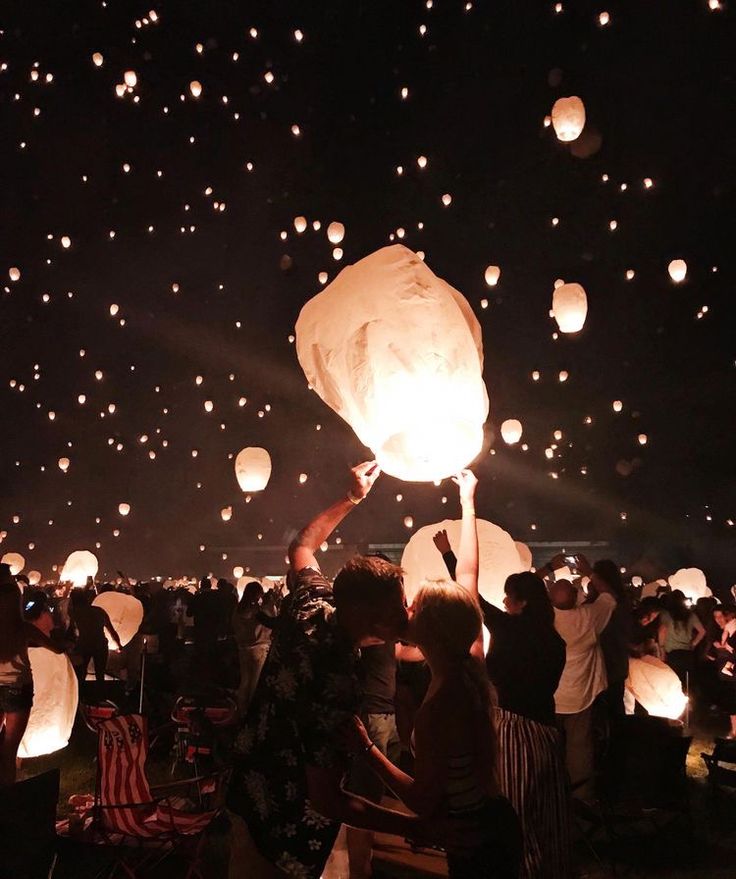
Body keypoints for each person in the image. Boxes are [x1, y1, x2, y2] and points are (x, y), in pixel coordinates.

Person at [227, 462, 473, 879]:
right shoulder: (334, 685)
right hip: (282, 834)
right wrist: (415, 826)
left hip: (247, 784)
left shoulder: (313, 601)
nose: (406, 618)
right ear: (368, 619)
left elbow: (302, 546)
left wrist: (352, 496)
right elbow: (328, 800)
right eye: (399, 612)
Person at [342, 470, 521, 879]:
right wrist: (468, 502)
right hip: (492, 822)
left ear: (431, 630)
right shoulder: (469, 659)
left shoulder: (441, 706)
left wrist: (367, 749)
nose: (406, 611)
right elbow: (469, 577)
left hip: (474, 838)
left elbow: (423, 800)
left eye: (414, 606)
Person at [435, 532, 569, 879]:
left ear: (521, 602)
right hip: (547, 734)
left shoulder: (508, 629)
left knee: (517, 813)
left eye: (509, 598)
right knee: (547, 815)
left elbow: (470, 596)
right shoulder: (555, 642)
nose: (505, 602)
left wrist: (449, 554)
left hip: (514, 732)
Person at [549, 576, 616, 801]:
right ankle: (582, 799)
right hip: (581, 696)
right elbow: (608, 597)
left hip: (551, 696)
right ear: (576, 596)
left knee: (549, 749)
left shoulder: (544, 618)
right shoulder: (589, 617)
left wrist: (548, 569)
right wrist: (589, 570)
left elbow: (523, 588)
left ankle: (551, 794)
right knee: (580, 750)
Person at [0, 566, 65, 786]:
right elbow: (56, 648)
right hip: (18, 687)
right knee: (10, 750)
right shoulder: (23, 628)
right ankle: (7, 796)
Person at [232, 581, 271, 714]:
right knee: (255, 682)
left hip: (243, 649)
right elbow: (271, 620)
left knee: (245, 681)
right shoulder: (258, 611)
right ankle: (252, 711)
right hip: (259, 649)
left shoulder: (238, 610)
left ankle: (241, 709)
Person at [69, 588, 121, 684]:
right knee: (100, 674)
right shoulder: (99, 611)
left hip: (84, 644)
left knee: (81, 673)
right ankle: (100, 695)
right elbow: (111, 630)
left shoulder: (75, 613)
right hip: (100, 644)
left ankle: (82, 696)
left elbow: (70, 630)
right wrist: (119, 644)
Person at [657, 589, 705, 687]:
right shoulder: (690, 615)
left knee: (672, 681)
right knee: (687, 681)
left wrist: (661, 649)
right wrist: (694, 643)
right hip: (687, 652)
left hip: (671, 653)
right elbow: (702, 631)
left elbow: (662, 631)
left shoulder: (666, 615)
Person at [708, 604, 736, 738]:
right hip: (726, 674)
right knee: (731, 701)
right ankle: (734, 731)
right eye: (715, 617)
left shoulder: (732, 630)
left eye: (721, 616)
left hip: (732, 671)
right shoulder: (720, 632)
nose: (718, 619)